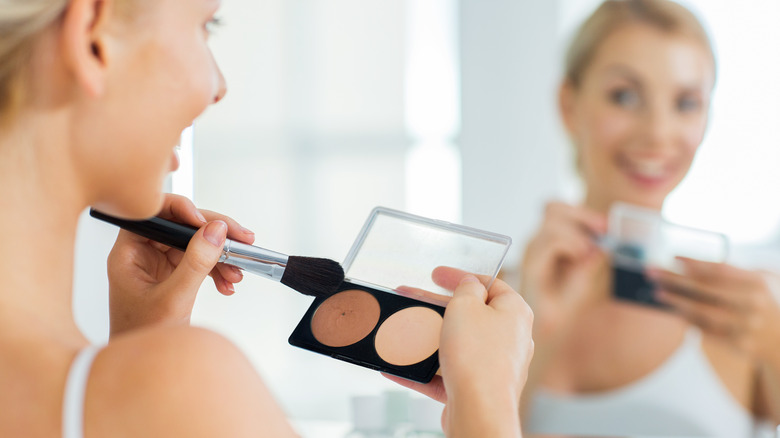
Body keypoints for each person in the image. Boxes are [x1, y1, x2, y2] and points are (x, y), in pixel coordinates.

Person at [0, 1, 534, 437]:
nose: (218, 85)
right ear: (93, 41)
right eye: (206, 24)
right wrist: (488, 404)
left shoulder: (141, 390)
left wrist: (143, 347)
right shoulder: (187, 383)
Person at [519, 0, 780, 437]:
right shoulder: (500, 302)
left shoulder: (747, 315)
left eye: (686, 102)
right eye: (625, 95)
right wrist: (535, 331)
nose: (658, 132)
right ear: (568, 104)